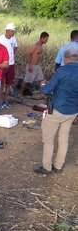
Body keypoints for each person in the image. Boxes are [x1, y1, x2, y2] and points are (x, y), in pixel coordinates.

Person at [34, 47, 78, 176]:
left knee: (48, 139)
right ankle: (58, 166)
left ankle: (46, 168)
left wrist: (42, 84)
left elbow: (46, 90)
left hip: (57, 110)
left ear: (65, 59)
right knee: (64, 139)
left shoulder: (61, 71)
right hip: (72, 111)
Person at [19, 32, 49, 97]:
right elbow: (29, 54)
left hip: (37, 66)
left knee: (42, 80)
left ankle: (42, 94)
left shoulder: (41, 46)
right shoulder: (35, 45)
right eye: (46, 39)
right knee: (26, 81)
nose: (47, 41)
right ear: (42, 38)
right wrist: (29, 65)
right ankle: (20, 93)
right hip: (31, 66)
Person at [0, 23, 18, 109]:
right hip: (3, 65)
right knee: (1, 83)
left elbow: (15, 47)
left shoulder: (14, 39)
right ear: (7, 31)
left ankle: (6, 99)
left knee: (9, 83)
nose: (13, 33)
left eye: (14, 31)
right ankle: (0, 100)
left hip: (11, 64)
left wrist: (12, 56)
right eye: (12, 31)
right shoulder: (0, 39)